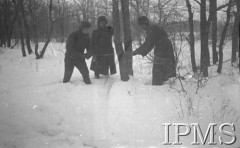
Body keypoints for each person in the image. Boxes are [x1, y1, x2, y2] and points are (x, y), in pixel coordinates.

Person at [132, 16, 176, 85]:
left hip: (163, 47)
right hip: (164, 46)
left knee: (158, 66)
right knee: (163, 64)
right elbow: (150, 44)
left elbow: (148, 44)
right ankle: (163, 80)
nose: (141, 27)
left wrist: (136, 51)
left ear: (145, 23)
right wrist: (138, 51)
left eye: (141, 25)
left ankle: (158, 83)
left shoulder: (151, 29)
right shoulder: (151, 27)